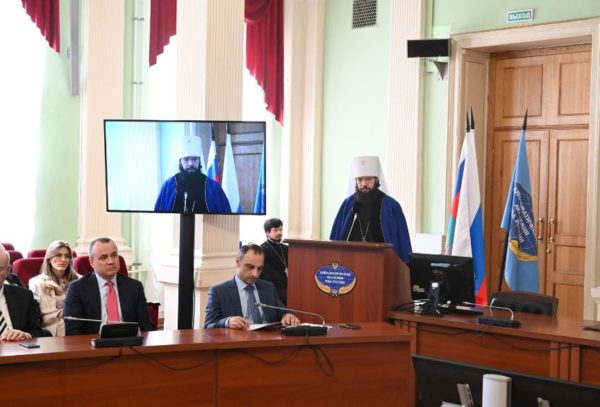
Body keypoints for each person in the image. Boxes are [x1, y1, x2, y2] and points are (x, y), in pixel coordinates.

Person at [330, 156, 412, 263]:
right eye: (360, 180)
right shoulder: (348, 205)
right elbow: (335, 241)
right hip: (350, 264)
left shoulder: (391, 206)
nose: (364, 184)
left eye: (368, 179)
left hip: (382, 265)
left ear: (377, 180)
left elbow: (402, 245)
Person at [63, 237, 154, 335]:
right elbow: (73, 332)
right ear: (92, 262)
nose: (111, 261)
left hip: (129, 341)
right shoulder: (77, 289)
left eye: (114, 255)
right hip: (93, 342)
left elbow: (146, 327)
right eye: (103, 257)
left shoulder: (135, 287)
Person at [204, 243, 300, 329]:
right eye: (250, 267)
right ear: (238, 262)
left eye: (260, 268)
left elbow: (282, 312)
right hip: (238, 341)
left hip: (268, 340)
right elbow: (209, 325)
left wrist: (287, 316)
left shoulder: (268, 288)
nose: (255, 274)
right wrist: (227, 322)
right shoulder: (218, 292)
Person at [154, 134, 231, 213]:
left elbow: (225, 216)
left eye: (194, 159)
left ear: (199, 161)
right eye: (186, 159)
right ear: (180, 162)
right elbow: (158, 215)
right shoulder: (168, 187)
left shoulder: (213, 188)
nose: (190, 164)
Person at [28, 240, 79, 336]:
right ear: (49, 258)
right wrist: (63, 313)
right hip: (51, 330)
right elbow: (36, 316)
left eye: (67, 256)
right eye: (58, 255)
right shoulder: (36, 282)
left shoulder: (80, 280)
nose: (63, 259)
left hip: (77, 326)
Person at [0, 245, 48, 341]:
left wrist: (26, 335)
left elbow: (39, 332)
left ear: (8, 271)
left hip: (17, 349)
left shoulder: (24, 296)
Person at [260, 218, 288, 305]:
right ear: (267, 233)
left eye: (280, 229)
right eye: (275, 230)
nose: (279, 232)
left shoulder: (286, 248)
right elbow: (267, 273)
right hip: (273, 288)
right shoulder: (263, 249)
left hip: (287, 286)